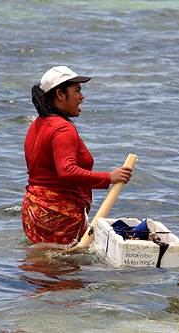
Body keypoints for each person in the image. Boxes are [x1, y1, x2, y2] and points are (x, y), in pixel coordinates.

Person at [21, 66, 132, 245]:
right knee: (65, 270)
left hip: (34, 210)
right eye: (77, 90)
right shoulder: (63, 128)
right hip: (58, 215)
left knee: (40, 266)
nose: (82, 97)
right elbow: (67, 172)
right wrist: (109, 177)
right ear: (59, 94)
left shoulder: (37, 125)